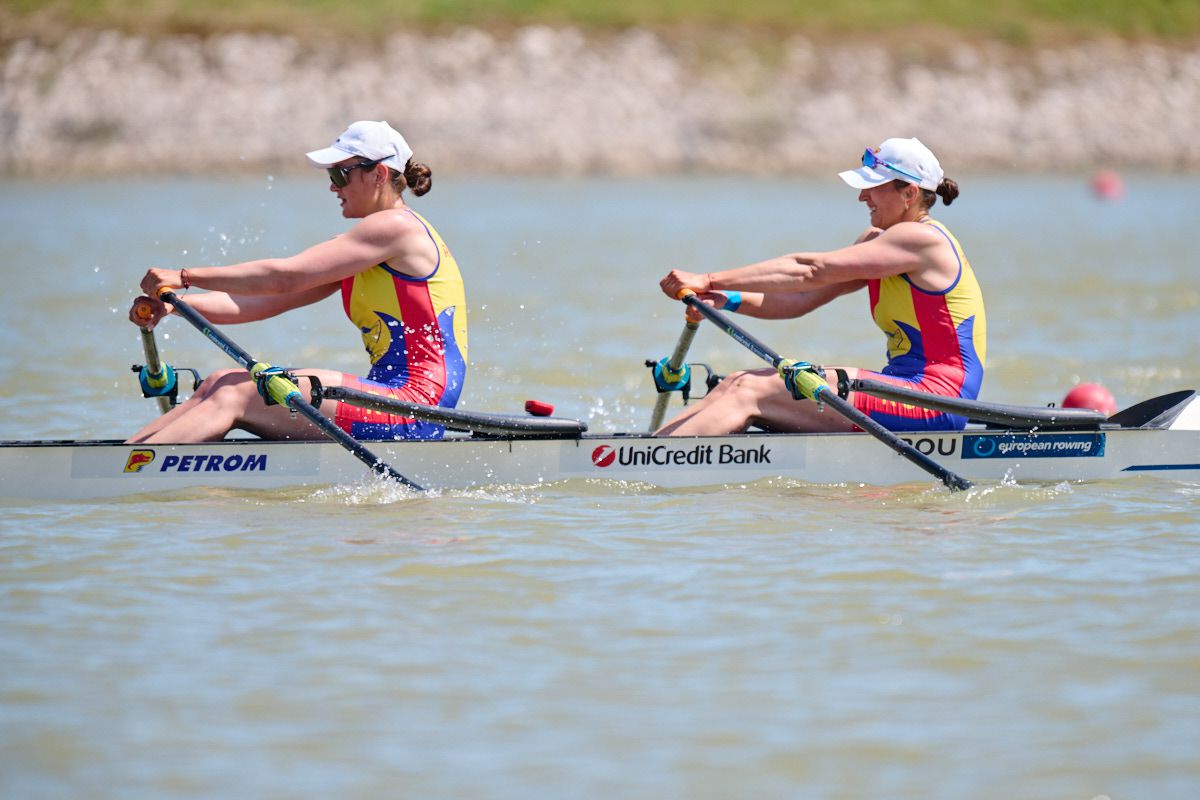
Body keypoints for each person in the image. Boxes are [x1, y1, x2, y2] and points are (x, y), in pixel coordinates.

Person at [126, 120, 468, 444]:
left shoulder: (395, 228)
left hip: (413, 407)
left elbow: (283, 278)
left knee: (233, 395)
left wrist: (186, 277)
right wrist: (175, 306)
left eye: (340, 173)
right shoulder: (366, 246)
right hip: (392, 400)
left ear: (378, 174)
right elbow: (261, 302)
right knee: (219, 382)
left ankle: (122, 473)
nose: (333, 185)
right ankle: (123, 458)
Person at [656, 137, 985, 436]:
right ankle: (646, 452)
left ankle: (644, 466)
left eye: (872, 187)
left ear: (909, 193)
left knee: (748, 390)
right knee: (732, 385)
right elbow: (802, 298)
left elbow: (809, 271)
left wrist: (709, 279)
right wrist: (725, 299)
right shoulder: (877, 243)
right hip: (902, 389)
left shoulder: (922, 240)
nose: (861, 197)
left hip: (936, 400)